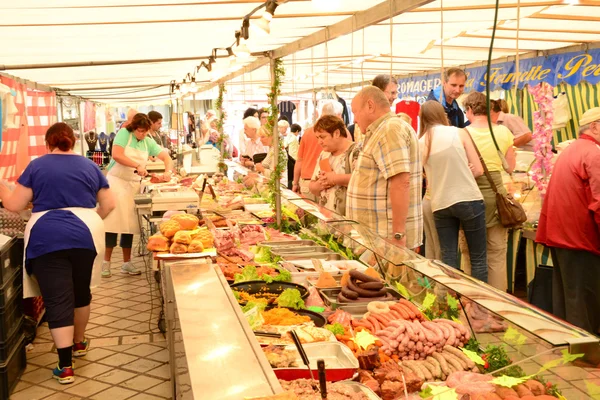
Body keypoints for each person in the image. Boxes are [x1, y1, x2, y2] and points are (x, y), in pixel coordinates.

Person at [0, 122, 116, 384]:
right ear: (72, 142)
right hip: (86, 234)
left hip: (46, 237)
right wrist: (90, 219)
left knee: (57, 299)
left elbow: (14, 205)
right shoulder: (89, 166)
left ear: (47, 142)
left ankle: (65, 366)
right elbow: (109, 204)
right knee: (81, 291)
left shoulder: (37, 165)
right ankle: (79, 343)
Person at [536, 107, 600, 334]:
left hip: (562, 233)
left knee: (568, 295)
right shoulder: (593, 152)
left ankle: (570, 345)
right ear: (594, 126)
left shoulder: (573, 149)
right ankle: (585, 352)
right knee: (583, 298)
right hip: (579, 236)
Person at [347, 86, 423, 250]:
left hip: (386, 239)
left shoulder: (390, 129)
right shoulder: (383, 129)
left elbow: (401, 182)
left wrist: (398, 235)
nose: (354, 119)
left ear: (370, 106)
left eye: (355, 112)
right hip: (377, 237)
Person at [419, 101, 487, 281]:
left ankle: (451, 304)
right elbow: (479, 170)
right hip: (469, 198)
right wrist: (465, 170)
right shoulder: (459, 132)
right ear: (442, 114)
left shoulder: (420, 143)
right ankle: (480, 306)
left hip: (440, 203)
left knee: (448, 259)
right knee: (478, 259)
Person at [103, 113, 174, 277]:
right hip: (116, 182)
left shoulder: (148, 141)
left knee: (129, 225)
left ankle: (126, 263)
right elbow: (117, 155)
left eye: (145, 132)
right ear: (133, 128)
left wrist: (168, 172)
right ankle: (106, 263)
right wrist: (137, 165)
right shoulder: (124, 134)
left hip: (133, 185)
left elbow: (166, 157)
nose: (142, 135)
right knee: (112, 224)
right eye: (140, 131)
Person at [459, 92, 516, 291]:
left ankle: (472, 300)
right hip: (497, 195)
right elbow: (509, 167)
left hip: (470, 194)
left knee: (469, 253)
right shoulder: (504, 133)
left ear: (469, 110)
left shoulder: (462, 134)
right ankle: (498, 305)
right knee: (497, 253)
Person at [309, 115, 359, 215]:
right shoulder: (324, 154)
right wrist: (321, 184)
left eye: (322, 137)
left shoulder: (356, 152)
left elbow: (362, 180)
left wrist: (334, 178)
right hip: (325, 219)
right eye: (317, 138)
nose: (319, 142)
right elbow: (312, 186)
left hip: (348, 220)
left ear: (336, 133)